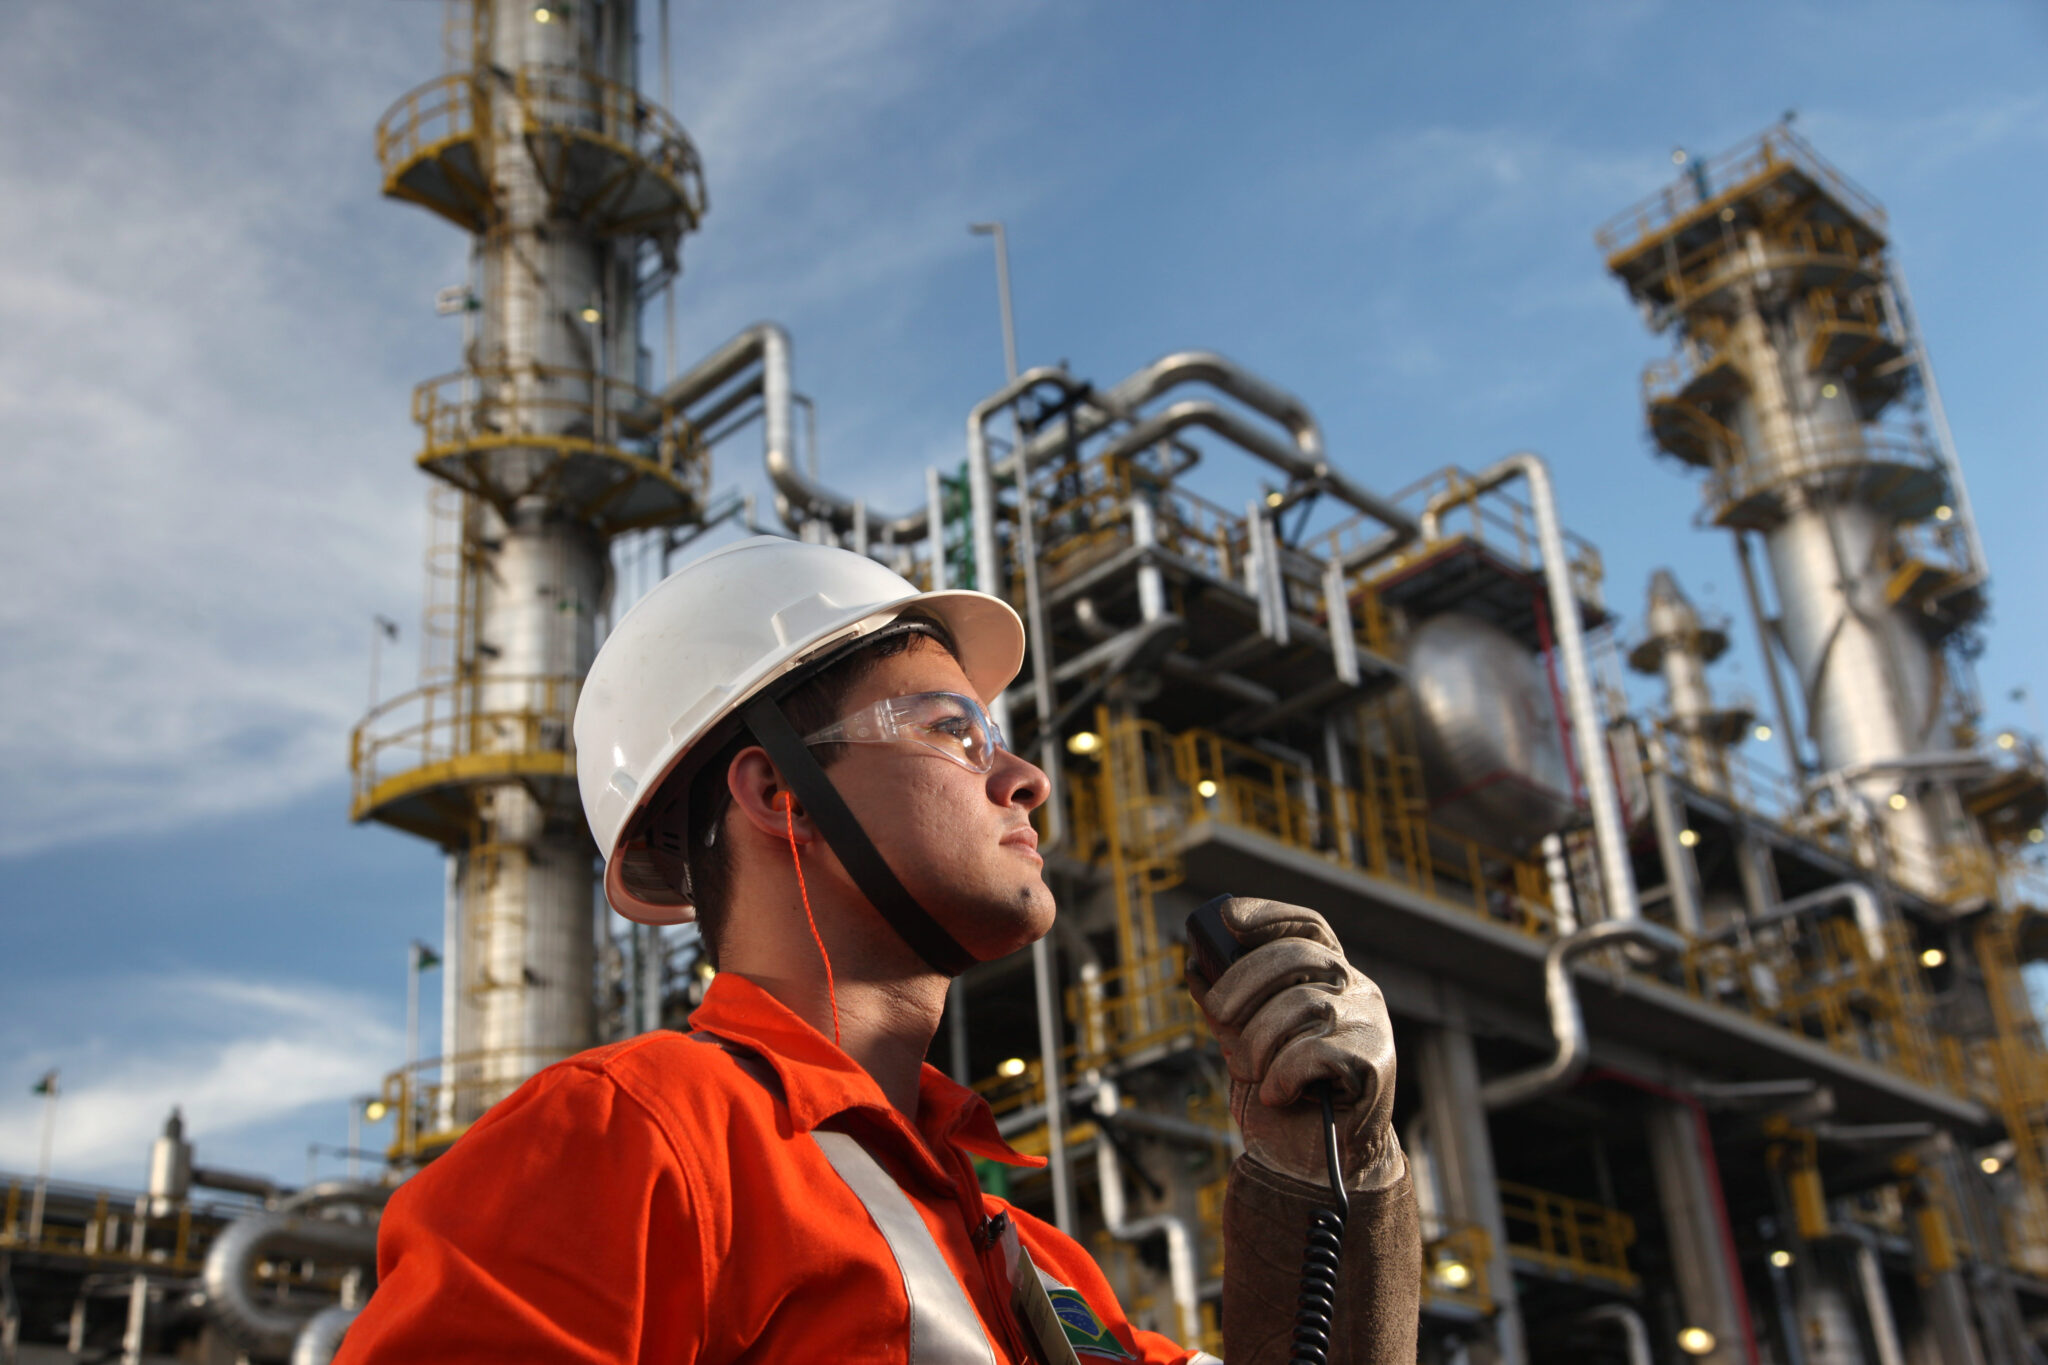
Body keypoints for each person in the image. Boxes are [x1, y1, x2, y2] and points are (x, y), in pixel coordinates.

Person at [337, 537, 1419, 1365]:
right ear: (776, 793)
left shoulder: (1041, 1270)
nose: (1023, 779)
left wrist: (1327, 1177)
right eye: (952, 730)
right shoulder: (632, 1139)